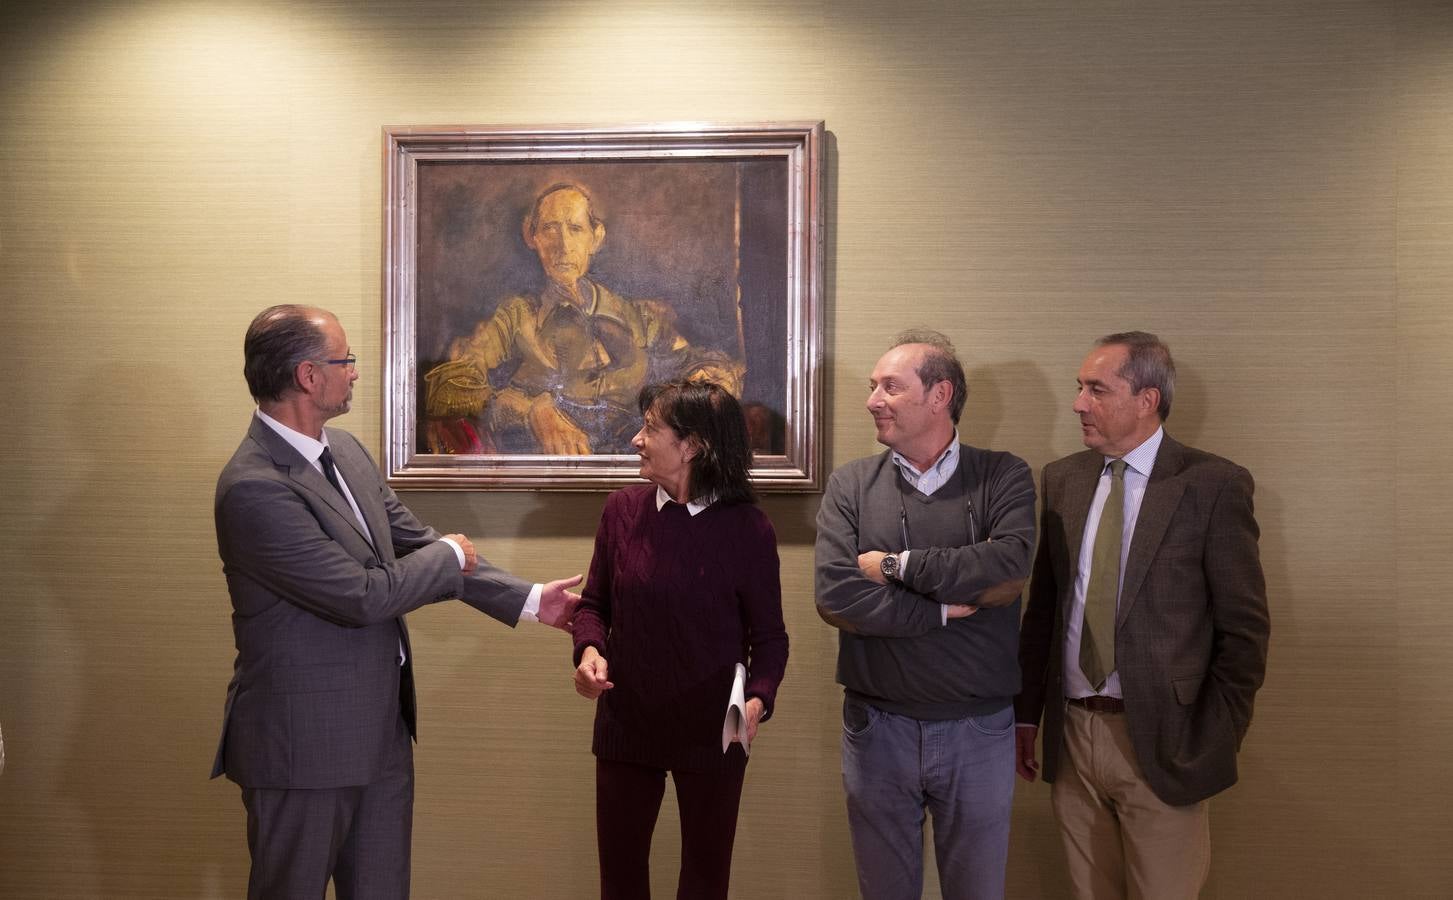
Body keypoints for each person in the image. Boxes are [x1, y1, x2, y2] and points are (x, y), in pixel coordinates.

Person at [212, 304, 583, 899]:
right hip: (300, 750)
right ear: (308, 376)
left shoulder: (350, 453)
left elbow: (418, 544)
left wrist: (534, 601)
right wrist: (446, 556)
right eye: (346, 360)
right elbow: (361, 595)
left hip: (380, 738)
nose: (356, 371)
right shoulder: (255, 487)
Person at [1014, 331, 1270, 900]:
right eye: (1079, 388)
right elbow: (1045, 610)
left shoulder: (1213, 485)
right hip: (1073, 735)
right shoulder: (1062, 479)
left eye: (1096, 389)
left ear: (1147, 399)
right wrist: (1027, 715)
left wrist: (1213, 735)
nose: (1079, 402)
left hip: (1163, 740)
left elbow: (1245, 631)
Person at [814, 329, 1037, 900]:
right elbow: (837, 598)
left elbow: (1008, 569)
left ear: (940, 395)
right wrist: (941, 612)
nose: (872, 400)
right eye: (873, 387)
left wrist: (894, 565)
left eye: (890, 386)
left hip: (979, 729)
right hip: (876, 729)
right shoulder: (850, 486)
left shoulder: (1004, 476)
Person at [571, 380, 788, 900]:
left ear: (693, 445)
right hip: (628, 724)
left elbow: (770, 638)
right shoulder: (622, 511)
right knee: (620, 883)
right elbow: (594, 606)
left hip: (715, 730)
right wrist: (589, 652)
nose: (636, 440)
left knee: (705, 884)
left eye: (650, 428)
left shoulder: (749, 528)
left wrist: (758, 699)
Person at [423, 183, 744, 455]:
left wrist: (711, 377)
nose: (563, 246)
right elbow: (449, 387)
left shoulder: (637, 316)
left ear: (597, 237)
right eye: (550, 229)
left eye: (575, 229)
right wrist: (531, 411)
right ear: (530, 235)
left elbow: (697, 362)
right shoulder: (516, 316)